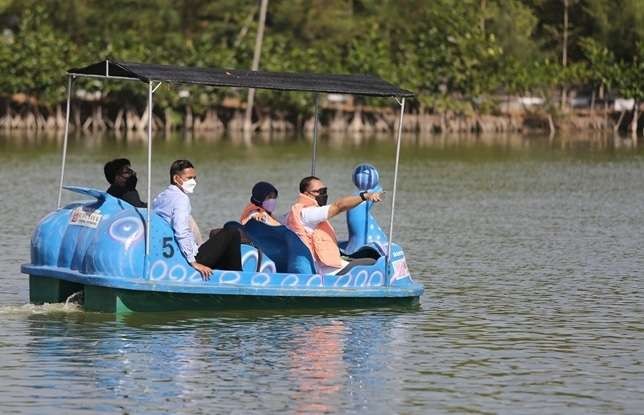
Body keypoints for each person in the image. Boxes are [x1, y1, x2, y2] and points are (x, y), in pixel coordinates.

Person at [153, 159, 241, 279]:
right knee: (232, 232)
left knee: (219, 235)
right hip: (188, 258)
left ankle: (223, 272)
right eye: (189, 178)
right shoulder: (181, 199)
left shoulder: (161, 196)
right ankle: (238, 277)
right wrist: (193, 262)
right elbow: (181, 231)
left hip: (175, 253)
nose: (193, 182)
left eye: (194, 178)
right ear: (176, 179)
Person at [286, 176, 382, 276]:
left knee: (370, 254)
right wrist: (364, 196)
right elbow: (338, 206)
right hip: (329, 272)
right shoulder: (308, 213)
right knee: (373, 262)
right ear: (306, 194)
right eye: (320, 191)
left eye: (325, 190)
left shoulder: (300, 212)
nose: (324, 194)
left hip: (334, 266)